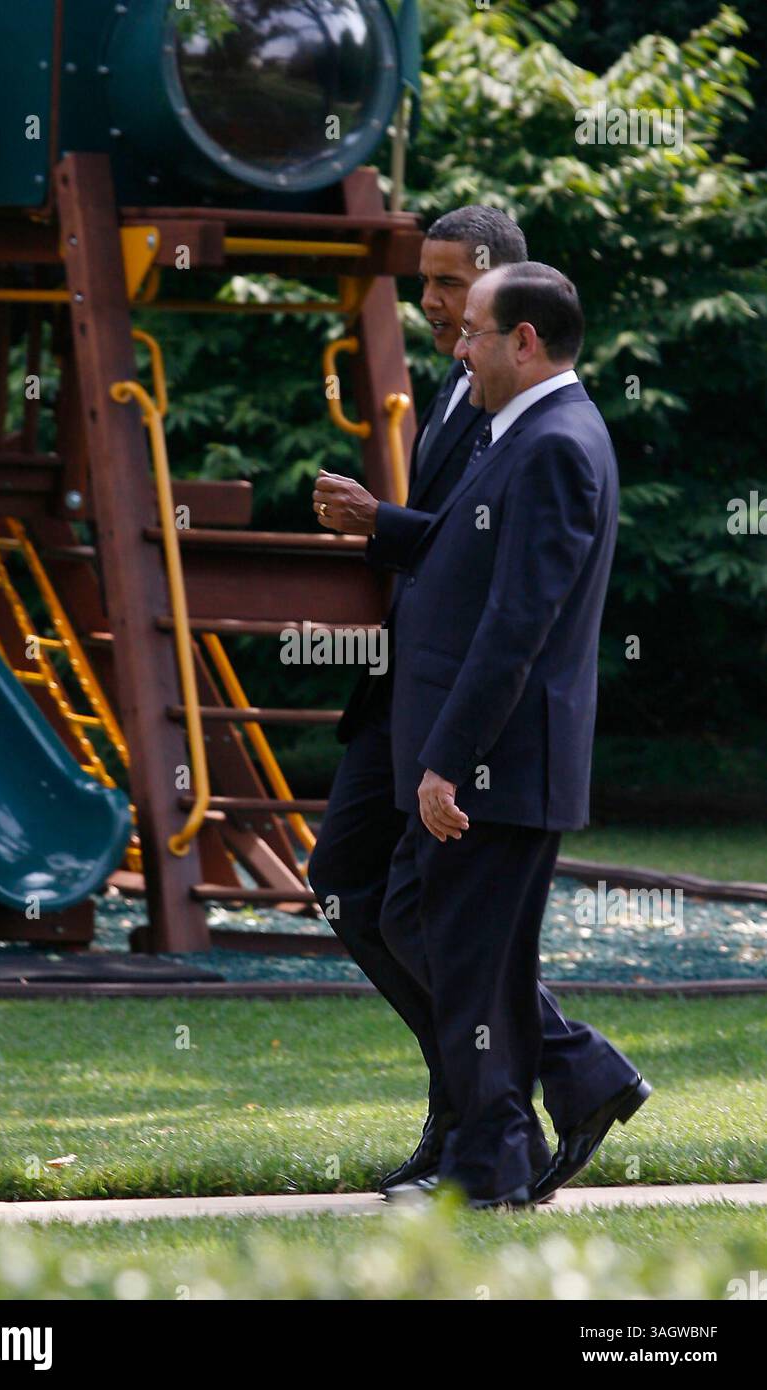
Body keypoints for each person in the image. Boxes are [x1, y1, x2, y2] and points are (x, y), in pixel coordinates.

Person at [309, 214, 648, 1202]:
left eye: (464, 317)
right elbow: (469, 569)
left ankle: (494, 1149)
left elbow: (514, 625)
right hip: (441, 723)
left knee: (461, 946)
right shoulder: (511, 423)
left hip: (492, 748)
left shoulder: (546, 440)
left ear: (521, 337)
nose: (446, 333)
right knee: (436, 933)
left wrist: (447, 759)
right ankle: (544, 1101)